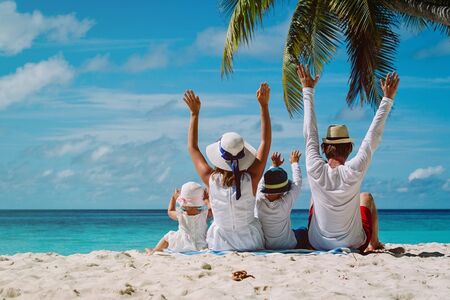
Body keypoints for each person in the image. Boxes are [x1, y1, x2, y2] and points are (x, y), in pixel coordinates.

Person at [298, 64, 400, 252]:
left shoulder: (314, 167)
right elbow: (372, 138)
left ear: (325, 149)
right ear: (349, 148)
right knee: (366, 197)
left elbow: (309, 132)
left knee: (315, 195)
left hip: (317, 243)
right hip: (353, 243)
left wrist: (308, 90)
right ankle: (374, 243)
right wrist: (387, 99)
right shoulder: (354, 169)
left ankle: (325, 236)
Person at [183, 83, 272, 251]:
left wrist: (194, 114)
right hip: (251, 242)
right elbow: (265, 142)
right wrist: (264, 106)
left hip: (220, 243)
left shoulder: (211, 179)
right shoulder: (251, 179)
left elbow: (192, 148)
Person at [255, 150, 305, 250]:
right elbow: (297, 183)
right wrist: (294, 163)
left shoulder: (258, 200)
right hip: (289, 245)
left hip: (267, 246)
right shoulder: (285, 202)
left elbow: (262, 183)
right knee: (303, 231)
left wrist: (274, 166)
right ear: (283, 191)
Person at [146, 182, 209, 254]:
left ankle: (155, 250)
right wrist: (206, 199)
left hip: (183, 244)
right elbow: (210, 206)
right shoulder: (204, 213)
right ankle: (155, 250)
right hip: (201, 244)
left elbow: (170, 211)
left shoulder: (181, 215)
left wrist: (173, 198)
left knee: (169, 236)